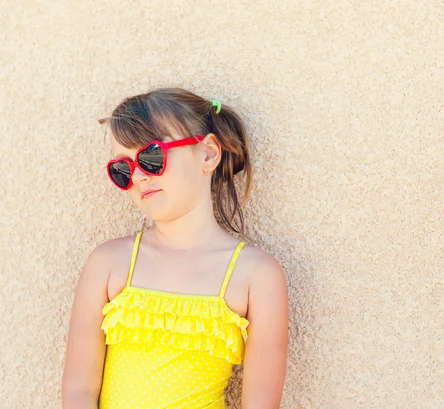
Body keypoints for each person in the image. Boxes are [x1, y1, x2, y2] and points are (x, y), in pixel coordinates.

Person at [61, 87, 289, 409]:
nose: (139, 175)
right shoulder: (109, 263)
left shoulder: (255, 274)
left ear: (208, 153)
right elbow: (78, 392)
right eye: (123, 169)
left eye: (152, 157)